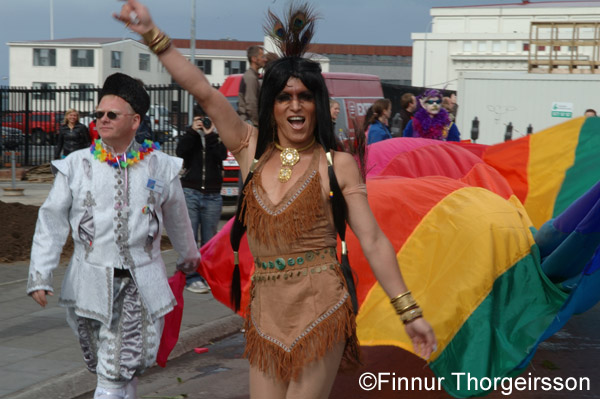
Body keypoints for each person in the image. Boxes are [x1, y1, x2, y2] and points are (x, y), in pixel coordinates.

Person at [115, 1, 436, 398]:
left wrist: (409, 311)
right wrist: (152, 36)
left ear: (318, 104)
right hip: (265, 309)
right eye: (285, 97)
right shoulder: (250, 148)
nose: (296, 106)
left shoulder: (338, 164)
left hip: (322, 305)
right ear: (273, 105)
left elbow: (371, 240)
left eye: (304, 96)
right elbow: (201, 89)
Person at [27, 72, 200, 399]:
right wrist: (40, 273)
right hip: (89, 283)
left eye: (112, 115)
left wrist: (190, 256)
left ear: (135, 121)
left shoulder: (160, 166)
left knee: (115, 369)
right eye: (99, 114)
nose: (102, 120)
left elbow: (177, 217)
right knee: (117, 366)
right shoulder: (76, 165)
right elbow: (52, 218)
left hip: (141, 285)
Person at [176, 107, 227, 294]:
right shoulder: (190, 136)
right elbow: (181, 151)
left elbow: (221, 155)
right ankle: (191, 277)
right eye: (200, 119)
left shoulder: (217, 136)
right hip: (191, 192)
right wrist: (192, 131)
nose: (203, 122)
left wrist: (210, 134)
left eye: (207, 119)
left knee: (210, 240)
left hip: (213, 195)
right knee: (190, 238)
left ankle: (207, 276)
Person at [238, 45, 267, 127]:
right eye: (262, 56)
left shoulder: (253, 76)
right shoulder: (251, 77)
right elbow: (251, 103)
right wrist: (257, 124)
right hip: (250, 124)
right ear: (254, 59)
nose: (265, 59)